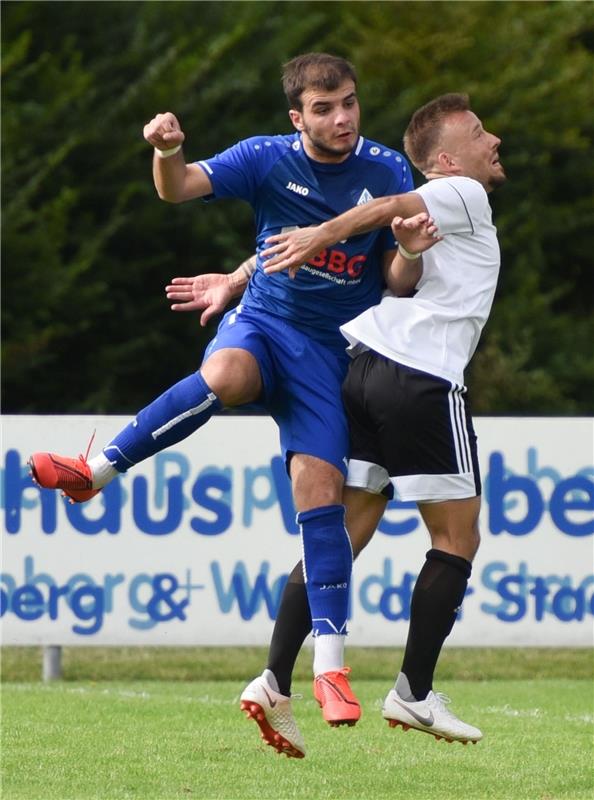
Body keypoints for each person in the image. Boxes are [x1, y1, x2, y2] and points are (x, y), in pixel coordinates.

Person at [27, 53, 415, 758]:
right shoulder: (266, 159)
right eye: (324, 109)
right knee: (227, 373)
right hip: (265, 325)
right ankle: (96, 473)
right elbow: (178, 190)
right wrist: (168, 152)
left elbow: (395, 274)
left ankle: (329, 671)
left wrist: (411, 252)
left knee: (318, 489)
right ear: (297, 117)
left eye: (350, 103)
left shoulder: (388, 171)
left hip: (333, 357)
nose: (342, 119)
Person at [250, 91, 506, 752]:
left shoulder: (443, 212)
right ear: (446, 159)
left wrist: (409, 251)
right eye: (479, 132)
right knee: (457, 539)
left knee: (346, 532)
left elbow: (399, 281)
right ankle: (413, 694)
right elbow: (387, 206)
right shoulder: (463, 192)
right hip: (420, 380)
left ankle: (273, 679)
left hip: (364, 370)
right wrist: (320, 234)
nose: (494, 140)